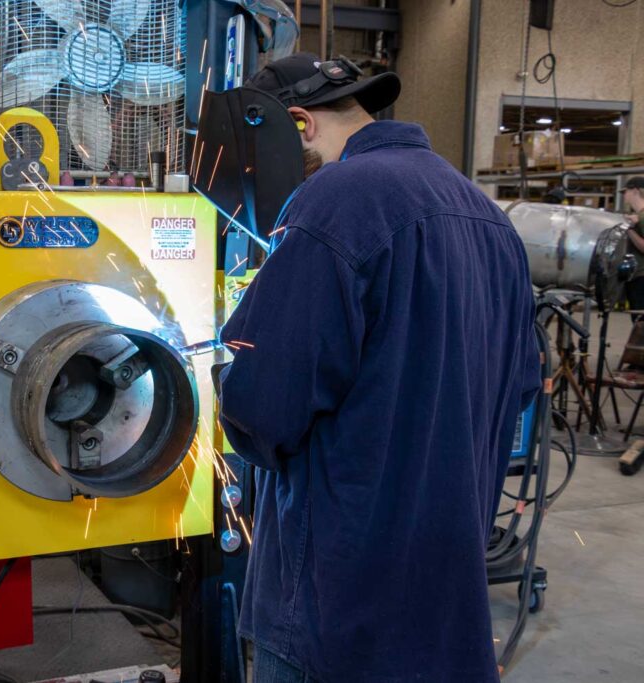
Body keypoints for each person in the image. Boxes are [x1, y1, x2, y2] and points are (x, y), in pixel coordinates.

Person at [218, 53, 541, 682]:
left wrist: (221, 386)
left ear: (300, 123)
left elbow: (264, 409)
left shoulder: (333, 200)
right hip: (447, 598)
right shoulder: (487, 215)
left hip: (334, 607)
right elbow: (521, 384)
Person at [621, 177, 644, 314]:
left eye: (626, 191)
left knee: (640, 321)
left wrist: (628, 229)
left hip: (641, 278)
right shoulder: (637, 216)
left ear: (635, 191)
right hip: (635, 276)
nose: (624, 195)